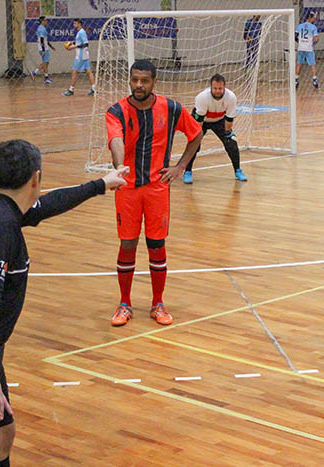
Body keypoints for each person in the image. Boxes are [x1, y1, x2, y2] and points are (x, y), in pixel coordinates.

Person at [0, 140, 127, 467]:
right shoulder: (1, 228)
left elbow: (47, 205)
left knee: (2, 435)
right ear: (36, 178)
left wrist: (101, 185)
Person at [106, 60, 203, 327]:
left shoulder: (171, 108)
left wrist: (180, 167)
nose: (139, 85)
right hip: (127, 189)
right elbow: (115, 140)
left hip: (157, 189)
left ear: (154, 82)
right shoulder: (116, 111)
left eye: (144, 81)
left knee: (156, 245)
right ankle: (124, 303)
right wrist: (120, 168)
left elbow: (196, 134)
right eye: (135, 80)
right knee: (127, 243)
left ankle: (158, 303)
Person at [183, 74, 247, 184]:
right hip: (201, 121)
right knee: (194, 144)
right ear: (211, 88)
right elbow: (199, 122)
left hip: (219, 120)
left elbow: (229, 120)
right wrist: (197, 138)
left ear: (224, 87)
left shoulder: (231, 97)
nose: (217, 91)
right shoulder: (202, 97)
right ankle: (187, 171)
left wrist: (228, 135)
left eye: (220, 88)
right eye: (215, 88)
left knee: (231, 143)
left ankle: (238, 170)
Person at [62, 18, 95, 97]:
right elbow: (79, 42)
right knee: (88, 72)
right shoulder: (80, 32)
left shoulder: (81, 32)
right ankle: (94, 89)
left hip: (81, 56)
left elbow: (86, 44)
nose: (74, 25)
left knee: (74, 72)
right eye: (73, 23)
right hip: (85, 55)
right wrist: (71, 44)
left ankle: (71, 90)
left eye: (75, 23)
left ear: (79, 24)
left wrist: (74, 46)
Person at [295, 12, 319, 90]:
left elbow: (295, 36)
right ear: (310, 18)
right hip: (309, 48)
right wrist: (313, 43)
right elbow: (316, 38)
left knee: (299, 63)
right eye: (313, 18)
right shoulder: (313, 27)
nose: (314, 19)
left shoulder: (299, 26)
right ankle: (314, 79)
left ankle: (296, 79)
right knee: (312, 64)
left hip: (301, 48)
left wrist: (301, 42)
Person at [30, 16, 54, 84]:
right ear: (42, 21)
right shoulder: (41, 29)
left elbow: (45, 39)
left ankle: (46, 77)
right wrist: (43, 50)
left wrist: (50, 46)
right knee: (45, 63)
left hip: (45, 47)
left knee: (46, 63)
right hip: (44, 48)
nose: (47, 22)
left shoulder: (42, 28)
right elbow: (41, 40)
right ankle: (34, 72)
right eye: (45, 20)